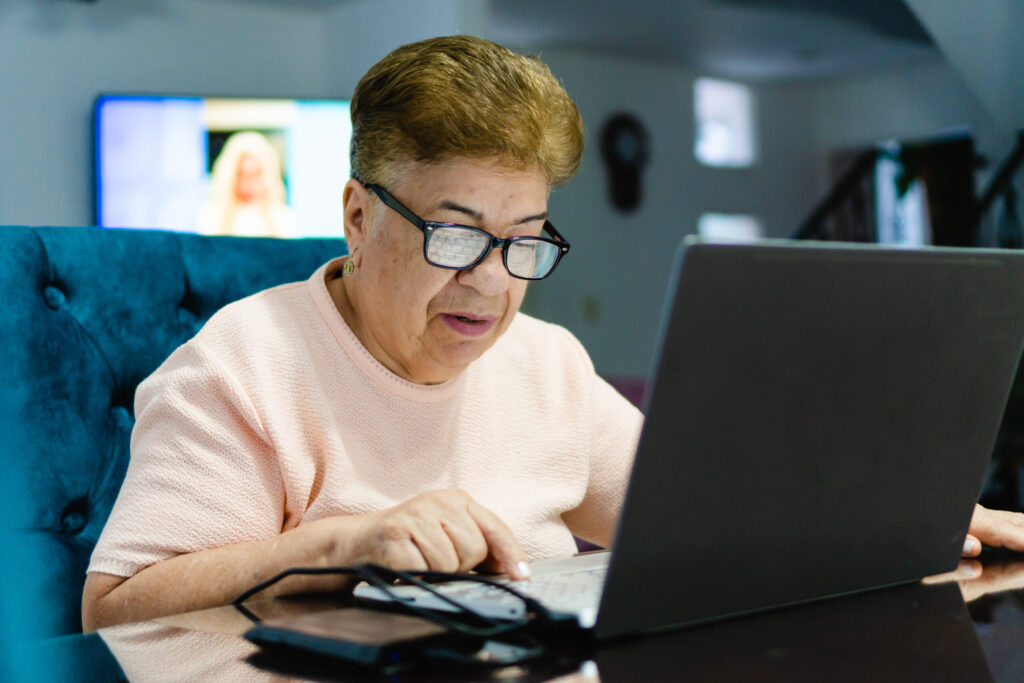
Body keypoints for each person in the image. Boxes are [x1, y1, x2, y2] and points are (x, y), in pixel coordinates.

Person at [82, 36, 1024, 631]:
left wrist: (906, 521)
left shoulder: (547, 362)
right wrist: (339, 544)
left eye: (525, 242)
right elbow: (112, 608)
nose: (491, 283)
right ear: (359, 218)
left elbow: (700, 525)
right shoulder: (238, 366)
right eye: (455, 237)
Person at [197, 131, 298, 238]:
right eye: (241, 174)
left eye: (255, 174)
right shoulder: (211, 217)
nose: (248, 183)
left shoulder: (283, 219)